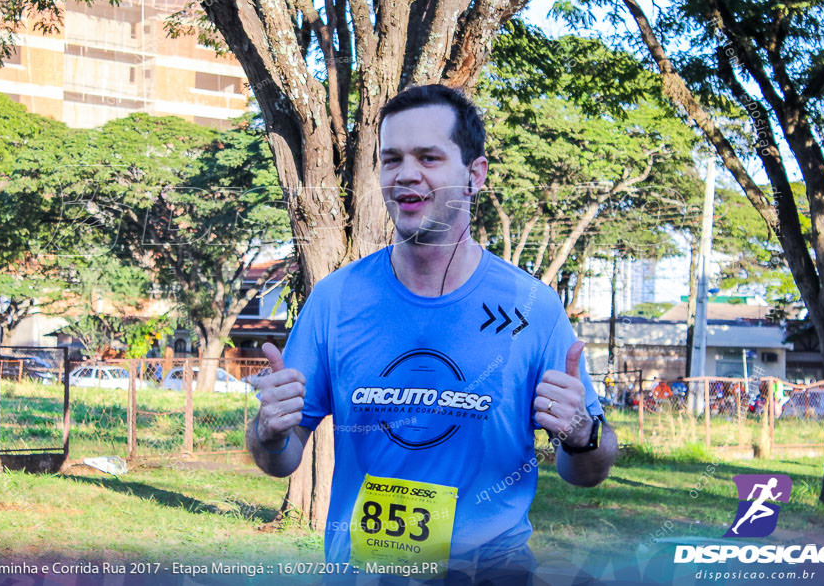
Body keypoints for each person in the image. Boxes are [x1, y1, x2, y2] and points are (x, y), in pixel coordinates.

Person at [247, 85, 617, 583]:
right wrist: (268, 432)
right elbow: (282, 457)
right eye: (392, 158)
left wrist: (580, 434)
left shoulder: (534, 308)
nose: (406, 174)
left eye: (429, 157)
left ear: (475, 175)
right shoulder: (336, 300)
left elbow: (587, 472)